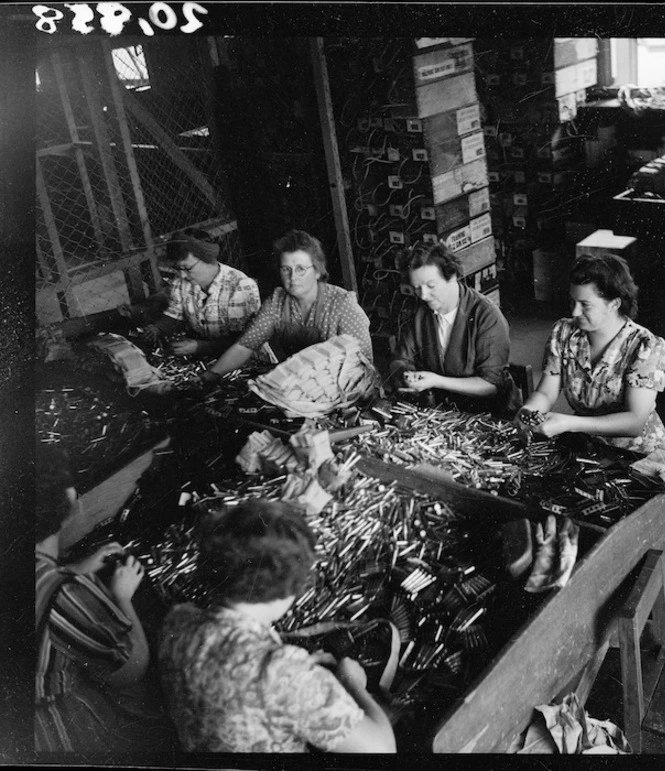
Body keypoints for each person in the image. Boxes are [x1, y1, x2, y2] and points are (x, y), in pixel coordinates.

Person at [157, 498, 396, 753]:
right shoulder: (282, 674)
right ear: (291, 590)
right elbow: (382, 749)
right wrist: (352, 683)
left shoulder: (177, 621)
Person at [34, 444, 173, 753]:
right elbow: (131, 668)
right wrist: (121, 597)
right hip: (43, 729)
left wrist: (75, 569)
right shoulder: (67, 595)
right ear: (70, 502)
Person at [515, 253, 665, 454]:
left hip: (638, 454)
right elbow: (546, 392)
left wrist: (570, 423)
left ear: (614, 304)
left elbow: (634, 421)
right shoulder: (563, 332)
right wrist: (529, 410)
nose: (575, 312)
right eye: (572, 302)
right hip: (585, 445)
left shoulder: (645, 346)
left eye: (585, 305)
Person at [197, 230, 373, 386]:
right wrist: (211, 374)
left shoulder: (342, 305)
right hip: (300, 384)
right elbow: (245, 346)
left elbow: (362, 365)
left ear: (318, 271)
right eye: (286, 269)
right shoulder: (277, 302)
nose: (293, 277)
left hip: (347, 388)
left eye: (301, 269)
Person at [389, 243, 511, 410]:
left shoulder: (486, 315)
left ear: (452, 276)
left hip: (484, 413)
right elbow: (400, 359)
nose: (423, 295)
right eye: (417, 288)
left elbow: (492, 385)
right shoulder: (418, 312)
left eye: (431, 286)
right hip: (438, 409)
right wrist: (406, 374)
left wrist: (436, 380)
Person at [140, 227, 262, 358]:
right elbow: (175, 315)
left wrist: (200, 347)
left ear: (208, 260)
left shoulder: (240, 286)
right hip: (206, 355)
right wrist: (158, 328)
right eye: (178, 268)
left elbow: (244, 341)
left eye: (187, 268)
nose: (182, 275)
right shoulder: (182, 281)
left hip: (242, 357)